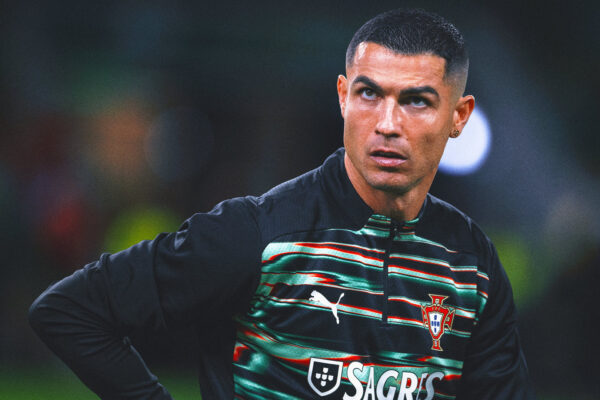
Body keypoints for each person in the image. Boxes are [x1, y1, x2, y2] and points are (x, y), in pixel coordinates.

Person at [29, 8, 534, 399]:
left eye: (416, 101)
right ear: (343, 97)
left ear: (459, 116)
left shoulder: (472, 263)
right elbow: (69, 310)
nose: (387, 123)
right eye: (369, 94)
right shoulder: (260, 234)